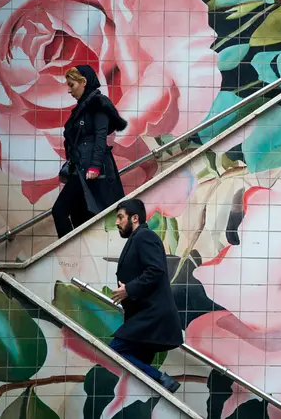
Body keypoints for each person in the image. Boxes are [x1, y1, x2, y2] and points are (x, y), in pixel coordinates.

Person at [109, 198, 183, 393]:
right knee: (139, 376)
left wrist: (129, 289)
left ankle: (162, 379)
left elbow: (156, 269)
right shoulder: (138, 238)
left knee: (116, 349)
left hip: (152, 317)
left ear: (134, 218)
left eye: (120, 217)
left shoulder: (144, 237)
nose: (117, 222)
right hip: (145, 317)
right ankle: (158, 383)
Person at [52, 65, 127, 238]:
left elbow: (101, 136)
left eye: (72, 85)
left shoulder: (97, 103)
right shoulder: (82, 107)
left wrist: (94, 167)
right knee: (80, 218)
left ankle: (68, 254)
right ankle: (77, 260)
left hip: (89, 170)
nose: (69, 90)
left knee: (60, 210)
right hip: (80, 168)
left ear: (83, 82)